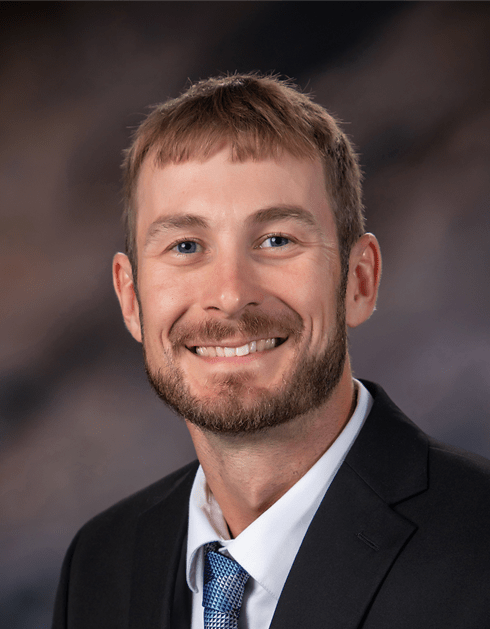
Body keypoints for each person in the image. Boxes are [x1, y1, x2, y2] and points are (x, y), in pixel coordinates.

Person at [52, 73, 490, 629]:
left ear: (359, 280)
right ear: (131, 297)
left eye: (276, 240)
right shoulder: (99, 565)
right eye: (186, 246)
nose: (230, 295)